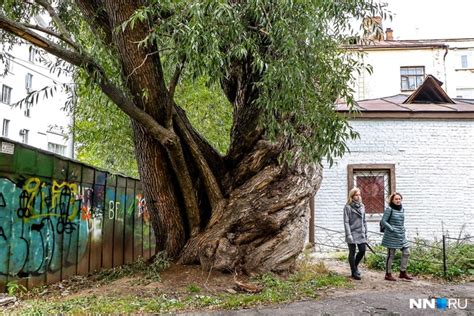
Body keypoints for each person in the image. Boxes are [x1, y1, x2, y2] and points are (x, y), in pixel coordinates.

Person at [381, 192, 413, 281]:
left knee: (406, 252)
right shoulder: (389, 209)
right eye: (396, 199)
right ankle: (388, 274)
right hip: (391, 235)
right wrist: (391, 228)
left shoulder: (402, 209)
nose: (398, 200)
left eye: (399, 199)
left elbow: (401, 222)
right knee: (391, 255)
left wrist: (402, 228)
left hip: (401, 234)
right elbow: (383, 221)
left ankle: (402, 272)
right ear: (392, 200)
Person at [343, 187, 367, 280]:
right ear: (352, 196)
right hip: (352, 232)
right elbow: (346, 222)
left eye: (359, 194)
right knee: (352, 252)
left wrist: (365, 232)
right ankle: (354, 272)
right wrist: (348, 234)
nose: (358, 196)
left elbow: (364, 220)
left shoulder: (362, 206)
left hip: (361, 232)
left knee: (362, 250)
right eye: (356, 195)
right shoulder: (347, 207)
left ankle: (355, 267)